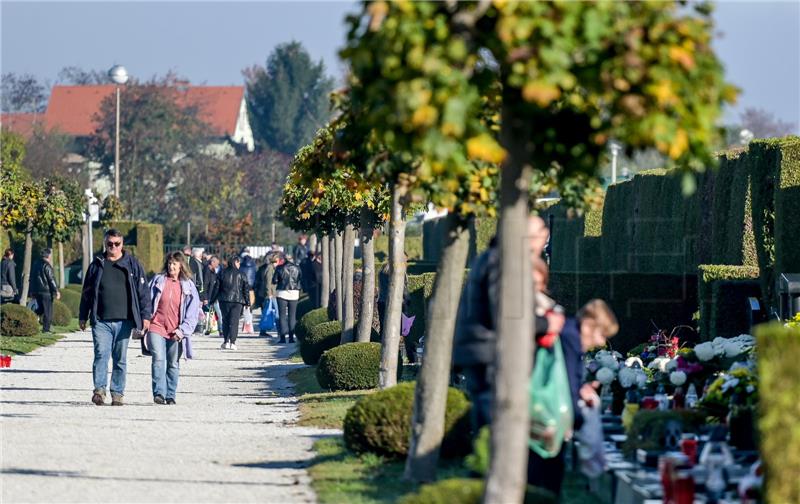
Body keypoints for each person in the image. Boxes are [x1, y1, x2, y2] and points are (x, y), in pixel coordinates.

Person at [452, 215, 558, 429]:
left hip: (482, 350)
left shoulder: (493, 258)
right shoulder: (504, 262)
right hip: (490, 353)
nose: (541, 245)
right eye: (540, 238)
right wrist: (547, 324)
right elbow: (508, 314)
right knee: (495, 422)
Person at [527, 299, 618, 497]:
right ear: (588, 325)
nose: (602, 342)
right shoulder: (569, 339)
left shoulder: (567, 334)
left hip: (543, 419)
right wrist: (579, 420)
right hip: (546, 421)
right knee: (543, 486)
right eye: (601, 334)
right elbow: (565, 385)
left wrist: (580, 390)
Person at [79, 228, 152, 406]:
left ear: (122, 245)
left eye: (116, 244)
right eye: (109, 244)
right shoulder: (97, 264)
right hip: (101, 320)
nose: (113, 247)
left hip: (124, 321)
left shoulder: (132, 264)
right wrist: (83, 315)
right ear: (105, 244)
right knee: (101, 355)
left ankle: (117, 393)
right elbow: (87, 292)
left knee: (120, 358)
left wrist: (146, 316)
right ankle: (99, 390)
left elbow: (143, 292)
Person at [144, 252, 201, 405]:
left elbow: (193, 313)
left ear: (181, 265)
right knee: (158, 359)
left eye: (174, 263)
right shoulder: (158, 280)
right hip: (156, 326)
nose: (171, 266)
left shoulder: (188, 286)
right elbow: (147, 301)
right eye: (169, 263)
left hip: (176, 330)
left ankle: (170, 394)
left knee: (173, 363)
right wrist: (145, 320)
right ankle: (159, 393)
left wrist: (182, 330)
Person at [217, 255, 250, 350]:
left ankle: (226, 341)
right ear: (235, 262)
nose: (239, 264)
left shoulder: (222, 273)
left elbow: (217, 287)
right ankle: (233, 342)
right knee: (234, 322)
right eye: (239, 262)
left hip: (224, 300)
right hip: (237, 301)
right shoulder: (242, 274)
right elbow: (245, 289)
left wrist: (213, 298)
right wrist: (247, 302)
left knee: (225, 321)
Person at [272, 254, 302, 343]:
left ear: (284, 259)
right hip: (294, 293)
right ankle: (292, 338)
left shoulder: (279, 268)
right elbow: (300, 279)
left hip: (282, 292)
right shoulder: (297, 268)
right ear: (292, 259)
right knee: (292, 316)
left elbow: (274, 280)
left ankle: (282, 338)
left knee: (282, 316)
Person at [30, 248, 60, 333]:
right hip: (46, 292)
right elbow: (51, 279)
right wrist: (56, 291)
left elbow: (32, 278)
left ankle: (31, 318)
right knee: (48, 311)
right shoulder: (47, 266)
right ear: (48, 255)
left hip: (37, 291)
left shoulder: (36, 264)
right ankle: (46, 329)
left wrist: (32, 291)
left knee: (40, 309)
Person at [254, 253, 281, 337]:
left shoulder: (271, 267)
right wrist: (269, 293)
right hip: (271, 294)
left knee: (267, 312)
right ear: (276, 260)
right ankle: (280, 331)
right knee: (276, 312)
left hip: (271, 294)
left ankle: (264, 331)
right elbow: (268, 282)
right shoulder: (270, 268)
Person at [202, 255, 221, 335]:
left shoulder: (212, 270)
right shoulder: (207, 270)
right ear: (212, 262)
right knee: (217, 313)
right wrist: (205, 297)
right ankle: (220, 329)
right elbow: (205, 284)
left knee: (212, 313)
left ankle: (212, 328)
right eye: (216, 263)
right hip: (210, 296)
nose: (217, 265)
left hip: (213, 295)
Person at [239, 248, 257, 333]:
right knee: (250, 306)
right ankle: (249, 323)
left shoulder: (241, 265)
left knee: (243, 304)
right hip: (251, 288)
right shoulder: (253, 265)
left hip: (242, 287)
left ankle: (243, 319)